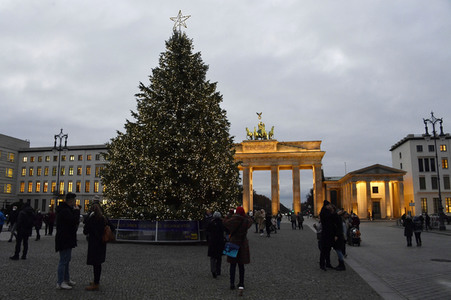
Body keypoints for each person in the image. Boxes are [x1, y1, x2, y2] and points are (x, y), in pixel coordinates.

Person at [83, 202, 115, 291]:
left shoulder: (92, 219)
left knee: (95, 264)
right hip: (102, 243)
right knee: (98, 264)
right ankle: (96, 281)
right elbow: (113, 228)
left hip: (94, 244)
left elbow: (85, 231)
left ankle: (96, 283)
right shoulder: (104, 218)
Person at [223, 206, 253, 295]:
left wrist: (230, 214)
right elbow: (251, 220)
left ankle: (232, 283)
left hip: (233, 242)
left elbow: (225, 222)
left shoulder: (233, 220)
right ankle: (241, 283)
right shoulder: (246, 221)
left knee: (232, 265)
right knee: (241, 265)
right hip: (243, 243)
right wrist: (245, 215)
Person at [55, 192, 81, 290]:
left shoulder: (66, 209)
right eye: (74, 200)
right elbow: (73, 221)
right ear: (71, 201)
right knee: (63, 260)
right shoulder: (65, 211)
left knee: (67, 260)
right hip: (64, 238)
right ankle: (60, 282)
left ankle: (66, 279)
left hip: (67, 238)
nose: (75, 202)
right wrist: (77, 212)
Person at [206, 211, 226, 278]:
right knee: (219, 257)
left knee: (212, 257)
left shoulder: (211, 222)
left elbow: (207, 230)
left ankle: (213, 270)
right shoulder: (221, 223)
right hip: (220, 241)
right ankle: (218, 270)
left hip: (212, 241)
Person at [319, 200, 334, 271]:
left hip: (328, 233)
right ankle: (322, 264)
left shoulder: (325, 212)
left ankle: (328, 263)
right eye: (328, 205)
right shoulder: (324, 213)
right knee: (324, 250)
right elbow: (329, 219)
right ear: (326, 206)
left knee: (327, 250)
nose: (329, 206)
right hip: (325, 234)